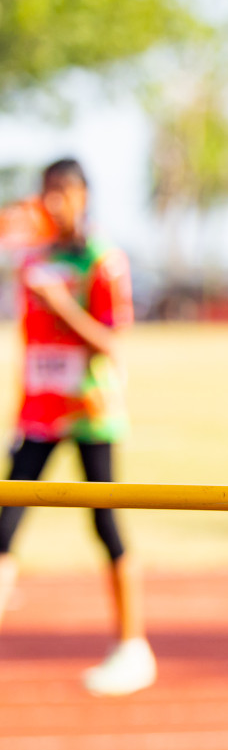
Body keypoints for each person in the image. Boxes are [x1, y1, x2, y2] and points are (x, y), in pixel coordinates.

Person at [0, 159, 155, 697]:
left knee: (105, 522)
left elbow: (113, 341)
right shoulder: (33, 258)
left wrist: (63, 305)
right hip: (38, 412)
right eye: (48, 194)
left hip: (90, 411)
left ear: (85, 196)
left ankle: (133, 646)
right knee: (5, 524)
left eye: (65, 193)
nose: (56, 204)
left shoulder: (102, 260)